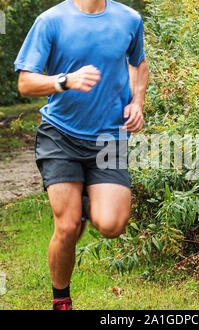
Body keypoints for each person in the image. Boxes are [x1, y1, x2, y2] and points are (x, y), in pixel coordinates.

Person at [14, 0, 149, 310]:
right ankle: (61, 300)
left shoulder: (129, 19)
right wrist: (65, 80)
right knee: (67, 226)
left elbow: (137, 63)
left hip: (108, 138)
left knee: (112, 225)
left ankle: (86, 201)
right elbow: (25, 81)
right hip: (60, 135)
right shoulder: (51, 21)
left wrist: (137, 101)